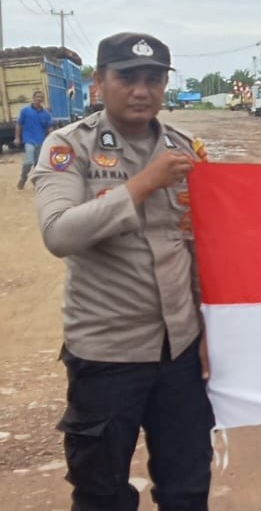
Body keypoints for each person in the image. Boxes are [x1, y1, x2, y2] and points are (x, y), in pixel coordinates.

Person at [32, 32, 214, 511]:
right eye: (126, 77)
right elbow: (59, 234)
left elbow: (199, 247)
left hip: (178, 353)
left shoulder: (184, 149)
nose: (141, 90)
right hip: (107, 354)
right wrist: (141, 186)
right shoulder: (70, 147)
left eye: (153, 79)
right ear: (99, 82)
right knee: (101, 494)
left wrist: (208, 329)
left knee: (187, 489)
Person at [14, 89, 53, 189]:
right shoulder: (25, 111)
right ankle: (23, 178)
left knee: (38, 164)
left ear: (43, 100)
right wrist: (17, 138)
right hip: (29, 140)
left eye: (41, 97)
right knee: (28, 161)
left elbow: (50, 128)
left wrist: (52, 138)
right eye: (37, 97)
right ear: (33, 98)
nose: (39, 99)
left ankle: (37, 182)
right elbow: (19, 124)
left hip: (41, 141)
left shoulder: (46, 114)